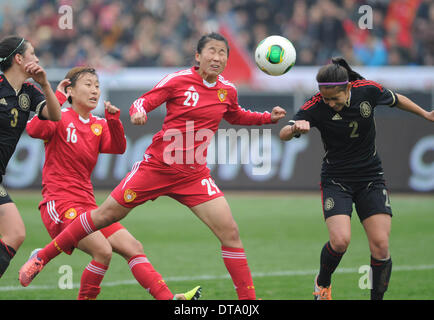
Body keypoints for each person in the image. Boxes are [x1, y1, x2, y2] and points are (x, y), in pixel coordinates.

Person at [19, 32, 286, 300]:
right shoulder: (178, 80)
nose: (217, 57)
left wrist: (267, 118)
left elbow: (236, 114)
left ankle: (248, 301)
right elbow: (143, 101)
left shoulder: (227, 90)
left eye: (222, 53)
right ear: (198, 56)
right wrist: (138, 111)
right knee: (104, 217)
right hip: (157, 167)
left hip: (194, 175)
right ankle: (43, 256)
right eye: (211, 51)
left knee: (230, 233)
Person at [25, 66, 201, 300]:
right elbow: (33, 129)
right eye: (87, 85)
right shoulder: (60, 117)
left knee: (133, 248)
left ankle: (169, 300)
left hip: (88, 207)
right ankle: (42, 258)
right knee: (102, 252)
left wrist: (113, 120)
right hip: (59, 205)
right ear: (71, 91)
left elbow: (118, 147)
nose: (94, 90)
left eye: (97, 85)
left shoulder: (97, 125)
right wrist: (57, 98)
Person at [279, 57, 434, 300]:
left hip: (371, 178)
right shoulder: (316, 106)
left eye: (334, 98)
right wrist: (294, 129)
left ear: (348, 88)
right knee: (340, 241)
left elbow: (397, 99)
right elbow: (283, 133)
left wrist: (425, 114)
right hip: (337, 180)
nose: (330, 103)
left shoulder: (367, 91)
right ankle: (322, 283)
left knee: (381, 246)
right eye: (325, 98)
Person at [0, 35, 61, 279]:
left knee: (15, 234)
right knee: (15, 232)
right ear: (18, 58)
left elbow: (55, 116)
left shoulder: (29, 91)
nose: (37, 58)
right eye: (32, 53)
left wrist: (45, 84)